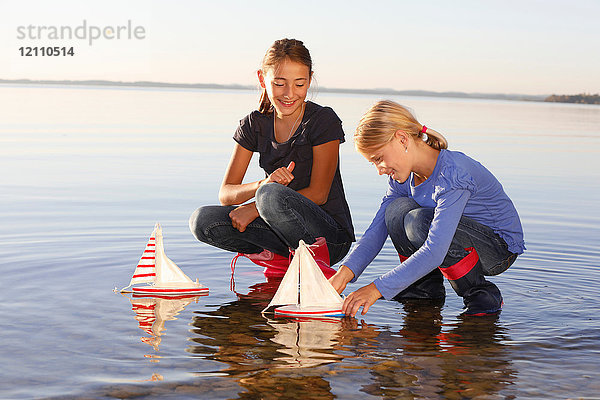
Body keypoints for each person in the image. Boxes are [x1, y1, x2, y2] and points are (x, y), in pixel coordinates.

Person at [329, 100, 525, 316]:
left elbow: (435, 251)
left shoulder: (451, 175)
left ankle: (480, 292)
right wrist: (344, 274)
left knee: (418, 221)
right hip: (459, 240)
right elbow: (376, 230)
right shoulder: (403, 178)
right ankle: (422, 291)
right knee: (395, 212)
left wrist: (376, 289)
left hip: (497, 249)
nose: (379, 170)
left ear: (402, 139)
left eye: (379, 159)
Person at [189, 38, 355, 277]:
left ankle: (315, 268)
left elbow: (319, 194)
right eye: (279, 84)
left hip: (329, 237)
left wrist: (256, 207)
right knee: (203, 221)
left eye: (299, 84)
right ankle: (281, 259)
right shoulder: (253, 124)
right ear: (262, 79)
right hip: (276, 223)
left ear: (309, 79)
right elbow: (226, 193)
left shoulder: (323, 121)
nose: (289, 94)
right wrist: (262, 185)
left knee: (271, 196)